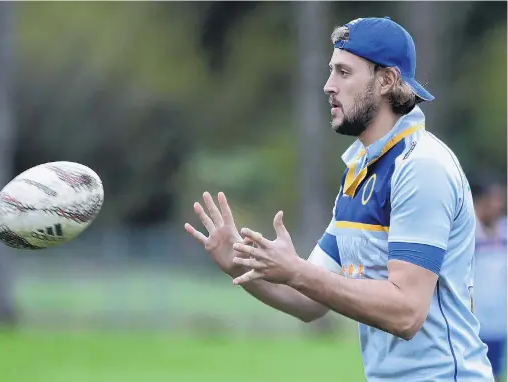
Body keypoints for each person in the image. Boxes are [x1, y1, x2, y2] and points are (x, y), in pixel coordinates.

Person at [184, 16, 495, 381]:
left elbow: (408, 312)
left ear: (387, 81)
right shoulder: (360, 171)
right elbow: (309, 300)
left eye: (344, 73)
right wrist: (241, 267)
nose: (328, 86)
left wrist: (297, 271)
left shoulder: (422, 166)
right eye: (331, 71)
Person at [470, 172, 507, 382]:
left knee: (497, 375)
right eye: (494, 199)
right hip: (474, 322)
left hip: (498, 323)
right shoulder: (469, 230)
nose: (499, 204)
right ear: (482, 201)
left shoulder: (504, 231)